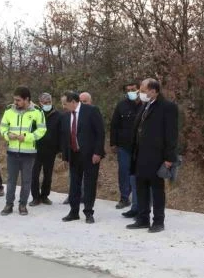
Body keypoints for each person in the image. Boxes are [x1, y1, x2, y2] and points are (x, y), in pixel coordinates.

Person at [127, 79, 179, 233]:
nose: (141, 93)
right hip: (140, 155)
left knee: (157, 190)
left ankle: (158, 221)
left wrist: (169, 158)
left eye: (143, 90)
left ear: (154, 90)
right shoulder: (145, 105)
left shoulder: (167, 107)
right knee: (141, 187)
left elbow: (171, 134)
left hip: (157, 156)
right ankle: (143, 218)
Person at [0, 87, 47, 216]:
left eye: (18, 100)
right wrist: (7, 135)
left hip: (29, 153)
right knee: (11, 180)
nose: (15, 102)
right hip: (12, 152)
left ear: (27, 99)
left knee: (26, 181)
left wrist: (26, 137)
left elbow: (42, 130)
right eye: (14, 100)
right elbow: (3, 127)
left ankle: (23, 205)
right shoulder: (9, 110)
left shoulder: (37, 112)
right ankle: (9, 205)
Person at [60, 90, 105, 224]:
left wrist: (98, 152)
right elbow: (65, 137)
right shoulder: (66, 116)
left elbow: (100, 133)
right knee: (74, 184)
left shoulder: (91, 111)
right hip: (74, 155)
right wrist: (65, 157)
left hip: (90, 155)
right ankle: (74, 212)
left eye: (65, 103)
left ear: (73, 102)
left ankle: (88, 212)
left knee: (90, 184)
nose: (63, 106)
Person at [110, 81, 143, 212]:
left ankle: (139, 200)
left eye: (133, 89)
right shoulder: (121, 105)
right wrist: (113, 143)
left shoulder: (145, 105)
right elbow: (114, 125)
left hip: (140, 146)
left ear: (139, 89)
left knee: (138, 173)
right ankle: (124, 198)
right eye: (128, 90)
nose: (130, 92)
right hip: (124, 146)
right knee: (123, 172)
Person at [30, 92, 61, 206]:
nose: (47, 104)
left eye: (49, 102)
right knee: (34, 175)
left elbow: (60, 133)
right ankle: (35, 197)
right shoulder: (35, 114)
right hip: (36, 150)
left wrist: (59, 149)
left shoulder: (58, 115)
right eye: (45, 102)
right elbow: (30, 130)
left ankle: (44, 196)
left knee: (48, 175)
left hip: (50, 150)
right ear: (40, 103)